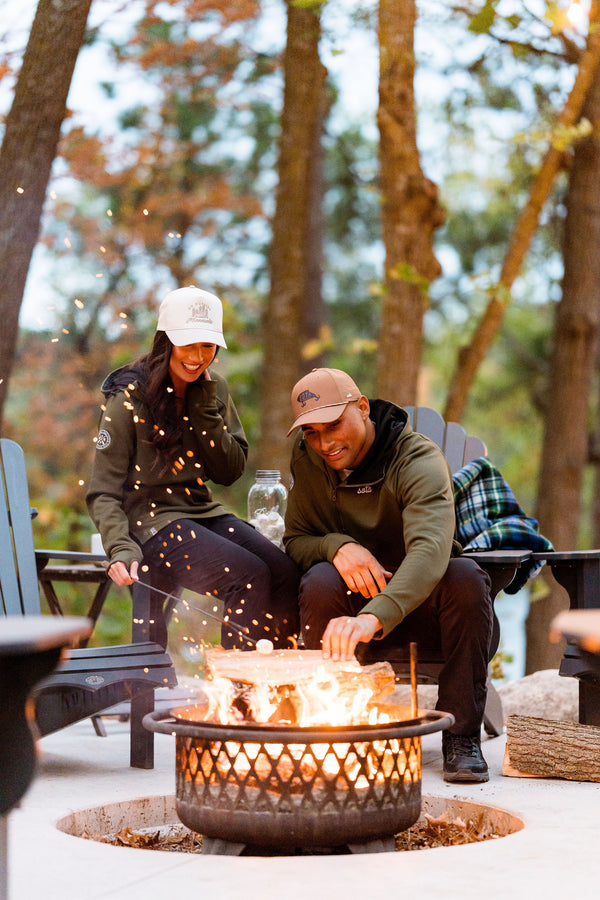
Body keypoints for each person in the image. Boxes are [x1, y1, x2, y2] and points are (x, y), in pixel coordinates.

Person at [283, 367, 493, 783]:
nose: (325, 443)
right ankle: (336, 727)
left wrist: (373, 617)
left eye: (334, 425)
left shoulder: (416, 457)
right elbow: (296, 539)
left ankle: (460, 736)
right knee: (321, 580)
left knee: (466, 577)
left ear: (362, 408)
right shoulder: (309, 461)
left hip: (423, 613)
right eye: (311, 433)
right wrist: (337, 546)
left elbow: (431, 551)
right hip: (347, 614)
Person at [87, 285, 300, 650]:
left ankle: (272, 685)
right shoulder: (128, 400)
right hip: (150, 523)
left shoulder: (213, 389)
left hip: (201, 511)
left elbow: (229, 471)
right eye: (188, 344)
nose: (198, 356)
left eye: (208, 345)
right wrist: (120, 546)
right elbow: (102, 491)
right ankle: (239, 694)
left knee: (283, 572)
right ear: (165, 341)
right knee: (248, 577)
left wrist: (202, 408)